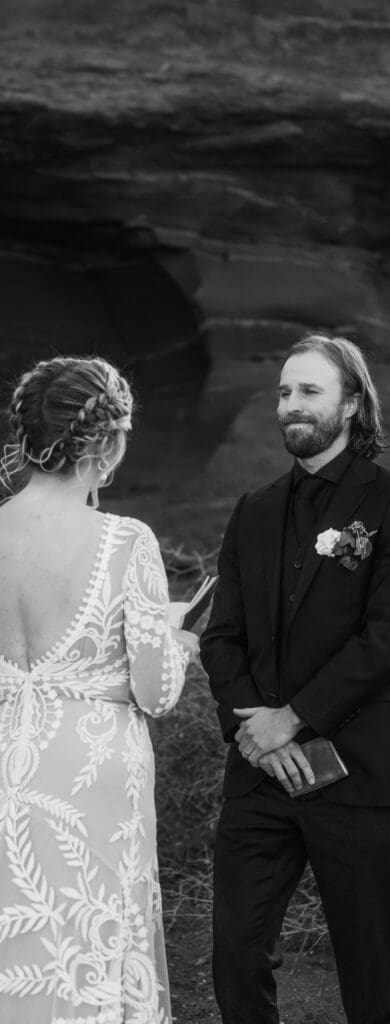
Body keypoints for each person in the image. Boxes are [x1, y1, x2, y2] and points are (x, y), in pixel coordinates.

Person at [201, 333, 390, 1024]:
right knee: (235, 953)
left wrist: (293, 717)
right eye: (282, 391)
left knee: (368, 975)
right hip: (260, 776)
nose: (291, 405)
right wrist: (260, 734)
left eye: (308, 390)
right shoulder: (254, 509)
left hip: (359, 771)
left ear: (353, 402)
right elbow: (223, 638)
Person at [0, 356, 198, 1024]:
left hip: (6, 764)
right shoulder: (124, 542)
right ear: (107, 442)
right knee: (87, 952)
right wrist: (182, 646)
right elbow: (154, 689)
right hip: (88, 782)